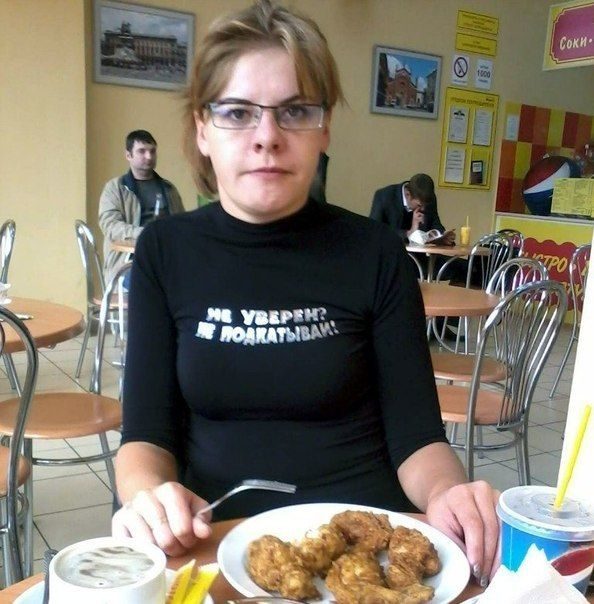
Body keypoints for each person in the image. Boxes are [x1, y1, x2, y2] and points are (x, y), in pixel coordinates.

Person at [111, 0, 499, 587]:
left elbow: (418, 438)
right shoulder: (165, 251)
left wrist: (448, 493)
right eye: (237, 112)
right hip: (216, 543)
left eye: (294, 111)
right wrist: (147, 496)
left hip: (366, 552)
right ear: (202, 129)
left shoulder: (375, 252)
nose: (267, 137)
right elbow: (145, 436)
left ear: (324, 128)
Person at [98, 130, 185, 282]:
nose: (149, 156)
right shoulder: (115, 188)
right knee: (149, 281)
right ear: (128, 155)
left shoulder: (168, 189)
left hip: (165, 257)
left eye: (152, 151)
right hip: (127, 263)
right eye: (142, 151)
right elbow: (110, 226)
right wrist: (146, 234)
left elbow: (181, 225)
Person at [369, 173, 455, 245]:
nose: (423, 209)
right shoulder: (384, 196)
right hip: (391, 253)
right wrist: (408, 233)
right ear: (408, 194)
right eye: (419, 205)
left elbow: (436, 224)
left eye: (425, 205)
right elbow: (374, 231)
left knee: (459, 261)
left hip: (423, 255)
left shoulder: (428, 199)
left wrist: (443, 237)